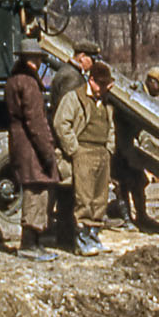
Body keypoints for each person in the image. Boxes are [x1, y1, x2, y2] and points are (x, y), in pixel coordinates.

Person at [4, 39, 60, 261]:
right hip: (31, 146)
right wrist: (47, 152)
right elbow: (36, 121)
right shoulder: (29, 83)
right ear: (33, 60)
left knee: (33, 189)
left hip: (19, 142)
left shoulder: (13, 80)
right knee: (37, 192)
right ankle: (30, 244)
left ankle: (33, 243)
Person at [55, 60, 116, 256]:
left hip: (102, 154)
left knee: (100, 198)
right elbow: (61, 124)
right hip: (83, 152)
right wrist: (74, 150)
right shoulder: (74, 98)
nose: (104, 88)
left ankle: (94, 235)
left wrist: (109, 149)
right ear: (91, 81)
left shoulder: (106, 103)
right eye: (101, 84)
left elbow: (112, 128)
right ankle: (81, 239)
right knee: (84, 197)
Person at [47, 38, 99, 248]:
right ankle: (68, 240)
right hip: (69, 144)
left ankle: (65, 237)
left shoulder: (64, 73)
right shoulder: (72, 78)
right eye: (92, 59)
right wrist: (73, 148)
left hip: (65, 142)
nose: (93, 64)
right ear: (82, 57)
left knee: (66, 194)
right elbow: (66, 117)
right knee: (70, 194)